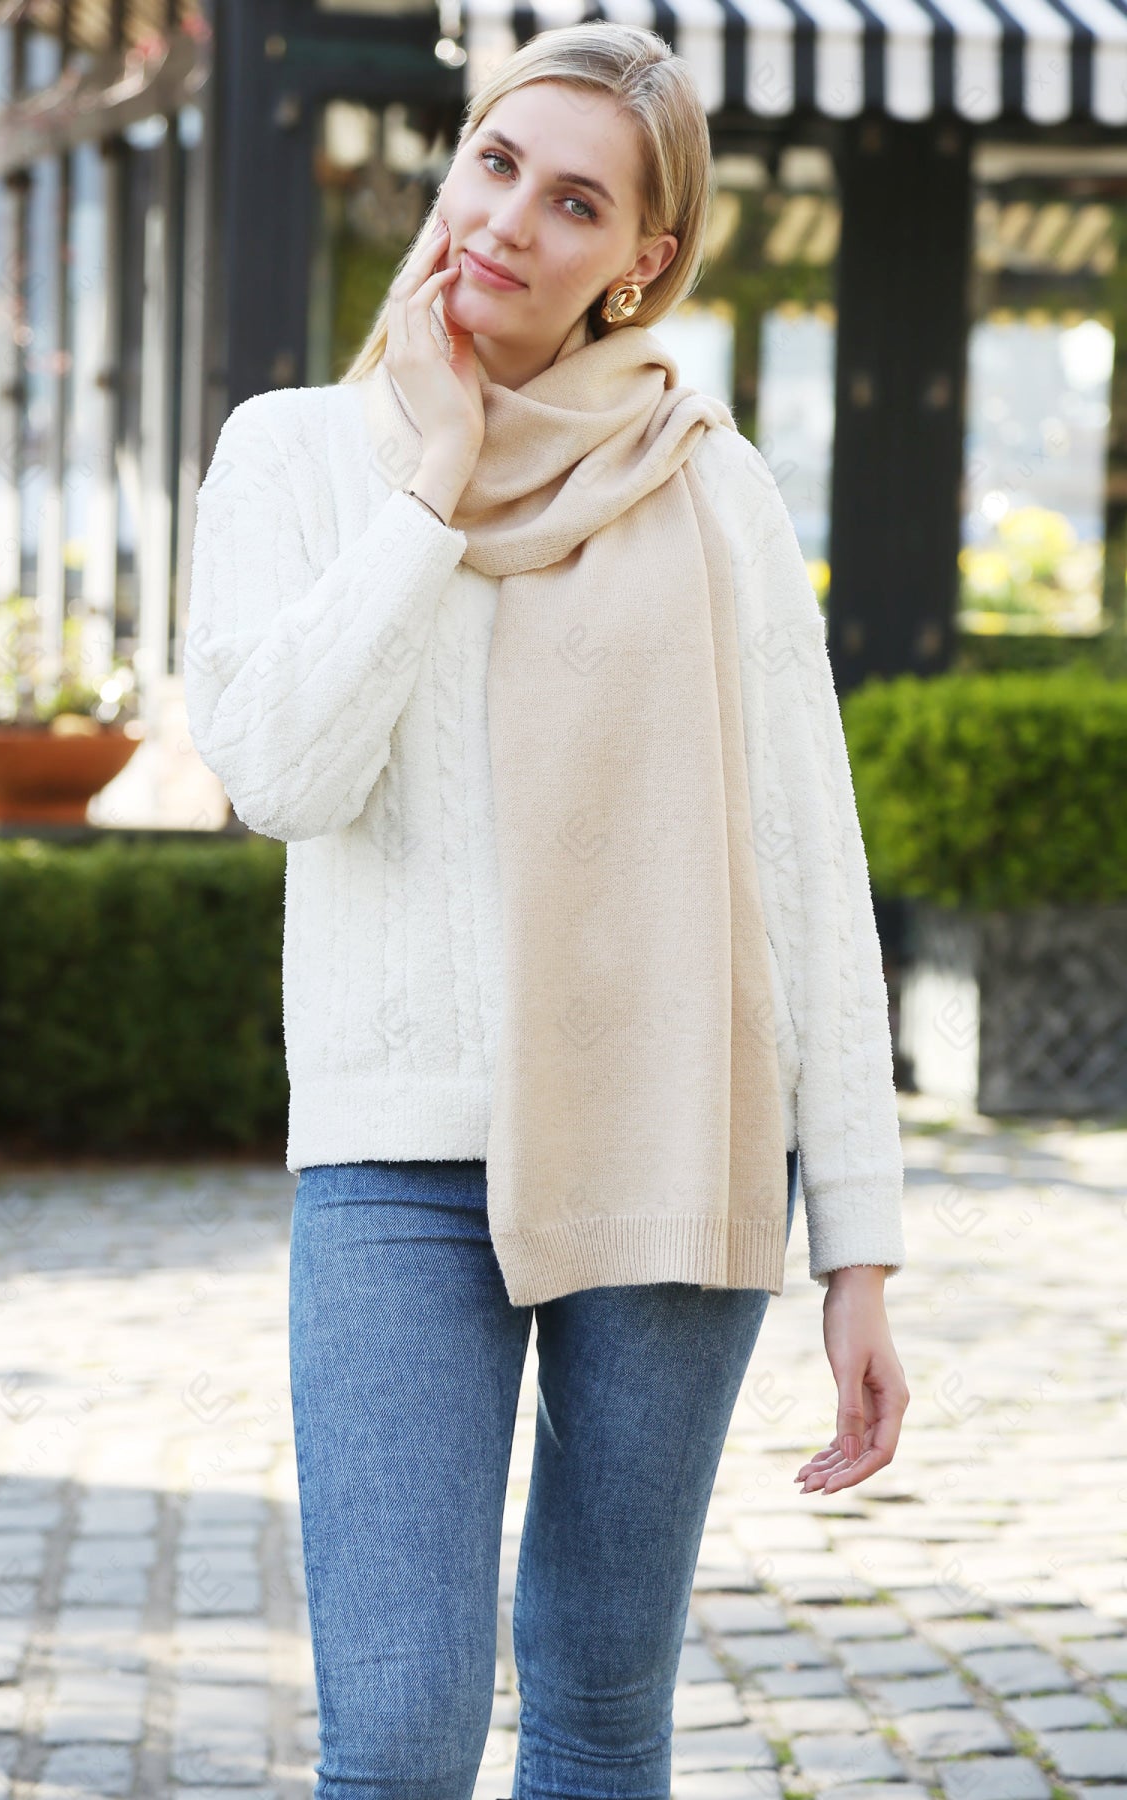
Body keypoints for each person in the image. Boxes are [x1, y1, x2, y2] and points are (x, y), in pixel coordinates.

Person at [184, 21, 911, 1798]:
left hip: (674, 1136)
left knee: (597, 1705)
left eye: (577, 202)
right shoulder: (294, 454)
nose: (511, 219)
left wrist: (862, 1251)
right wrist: (434, 481)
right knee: (400, 1735)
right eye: (497, 163)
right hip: (397, 1170)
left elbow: (810, 869)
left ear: (641, 259)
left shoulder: (710, 482)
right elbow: (282, 775)